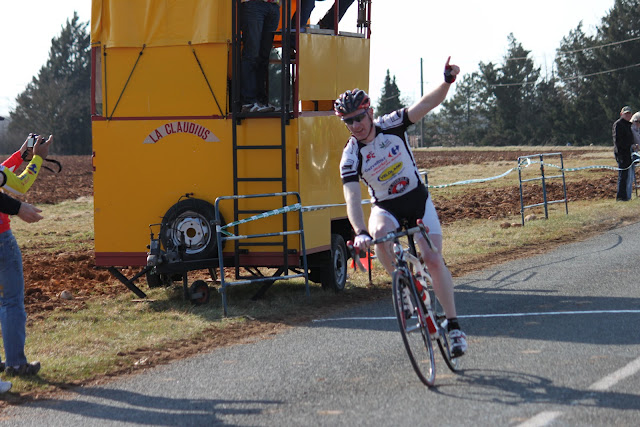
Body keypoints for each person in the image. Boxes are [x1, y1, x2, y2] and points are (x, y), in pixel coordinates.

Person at [336, 57, 467, 357]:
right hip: (386, 207)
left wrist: (446, 82)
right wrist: (359, 231)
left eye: (358, 117)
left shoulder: (391, 124)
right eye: (348, 121)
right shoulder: (351, 154)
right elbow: (352, 196)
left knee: (433, 260)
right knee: (378, 231)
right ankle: (404, 286)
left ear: (369, 113)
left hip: (416, 199)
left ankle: (454, 326)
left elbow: (425, 105)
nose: (355, 125)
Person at [0, 134, 52, 393]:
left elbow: (1, 174)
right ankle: (16, 364)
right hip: (1, 240)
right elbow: (19, 186)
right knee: (10, 302)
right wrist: (38, 158)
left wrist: (21, 156)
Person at [240, 0, 281, 113]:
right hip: (254, 4)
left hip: (273, 6)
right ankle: (248, 102)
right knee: (251, 54)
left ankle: (261, 101)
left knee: (263, 57)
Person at [612, 106, 637, 201]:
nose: (628, 115)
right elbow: (619, 141)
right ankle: (621, 197)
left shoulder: (629, 125)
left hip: (629, 154)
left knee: (629, 177)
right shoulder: (618, 124)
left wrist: (633, 146)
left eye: (629, 113)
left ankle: (627, 196)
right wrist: (630, 146)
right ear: (621, 114)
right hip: (622, 154)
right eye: (626, 113)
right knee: (623, 176)